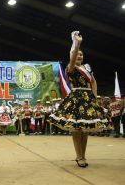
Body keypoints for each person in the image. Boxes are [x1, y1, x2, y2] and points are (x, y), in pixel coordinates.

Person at [49, 32, 111, 168]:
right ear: (73, 55)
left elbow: (93, 82)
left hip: (88, 99)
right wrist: (77, 44)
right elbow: (73, 56)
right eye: (77, 54)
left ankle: (84, 155)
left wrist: (94, 96)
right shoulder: (70, 67)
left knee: (86, 129)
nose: (79, 56)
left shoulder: (87, 68)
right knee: (76, 130)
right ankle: (79, 156)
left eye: (81, 54)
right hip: (76, 98)